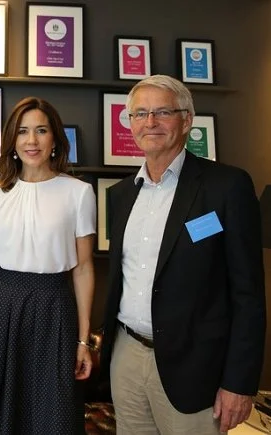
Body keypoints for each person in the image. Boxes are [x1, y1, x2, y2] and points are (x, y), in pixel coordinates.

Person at [102, 74, 266, 434]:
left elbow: (248, 293)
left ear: (187, 120)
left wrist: (240, 382)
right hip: (127, 356)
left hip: (197, 365)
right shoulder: (120, 196)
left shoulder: (227, 186)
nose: (150, 122)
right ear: (130, 123)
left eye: (163, 112)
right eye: (140, 113)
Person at [0, 96, 96, 434]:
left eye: (41, 130)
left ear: (54, 140)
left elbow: (83, 269)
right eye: (22, 132)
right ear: (12, 141)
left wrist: (82, 340)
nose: (31, 140)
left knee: (52, 411)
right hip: (2, 306)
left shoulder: (78, 193)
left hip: (55, 307)